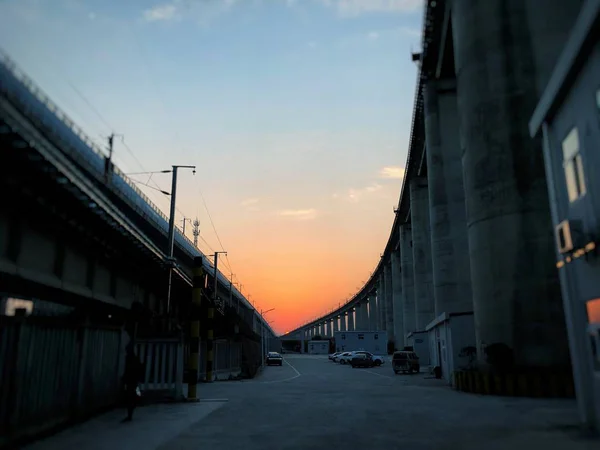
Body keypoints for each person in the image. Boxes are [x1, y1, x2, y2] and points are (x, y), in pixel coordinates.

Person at [121, 343, 143, 422]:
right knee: (133, 394)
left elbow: (132, 369)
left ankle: (132, 409)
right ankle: (135, 404)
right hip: (132, 379)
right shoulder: (132, 358)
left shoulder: (132, 358)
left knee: (132, 395)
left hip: (132, 379)